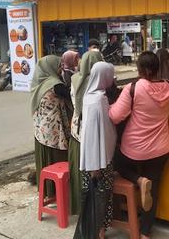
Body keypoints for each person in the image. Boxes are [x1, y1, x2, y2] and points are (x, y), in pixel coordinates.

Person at [109, 51, 169, 239]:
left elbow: (115, 115)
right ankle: (145, 232)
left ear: (143, 69)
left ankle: (138, 180)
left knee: (116, 162)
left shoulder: (134, 88)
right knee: (154, 189)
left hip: (135, 149)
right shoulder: (168, 87)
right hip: (161, 149)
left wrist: (106, 106)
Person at [78, 62, 117, 239]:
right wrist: (96, 166)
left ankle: (95, 230)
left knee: (93, 196)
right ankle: (99, 232)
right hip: (99, 162)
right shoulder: (99, 100)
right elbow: (96, 134)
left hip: (92, 158)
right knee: (101, 196)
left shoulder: (89, 95)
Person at [30, 55, 73, 198]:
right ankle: (57, 191)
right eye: (58, 65)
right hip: (53, 132)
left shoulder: (39, 83)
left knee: (46, 163)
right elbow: (72, 96)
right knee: (58, 162)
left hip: (41, 130)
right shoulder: (55, 84)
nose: (61, 68)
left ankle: (48, 189)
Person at [69, 50, 103, 215]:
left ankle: (82, 208)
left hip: (78, 132)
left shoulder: (74, 79)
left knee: (81, 175)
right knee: (99, 178)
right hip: (96, 135)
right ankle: (98, 215)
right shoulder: (101, 81)